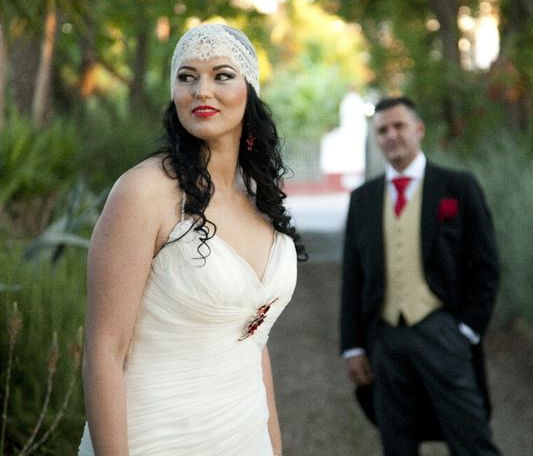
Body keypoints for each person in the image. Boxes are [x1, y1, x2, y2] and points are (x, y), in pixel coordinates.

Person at [78, 23, 305, 456]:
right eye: (187, 77)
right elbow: (104, 351)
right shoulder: (143, 192)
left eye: (222, 75)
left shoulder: (260, 199)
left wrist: (274, 447)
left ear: (249, 91)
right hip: (155, 437)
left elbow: (254, 341)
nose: (202, 90)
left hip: (244, 434)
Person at [340, 96, 501, 456]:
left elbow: (487, 265)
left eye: (399, 126)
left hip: (442, 330)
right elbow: (352, 277)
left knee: (471, 438)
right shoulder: (363, 198)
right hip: (384, 336)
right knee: (396, 442)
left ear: (419, 130)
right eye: (382, 130)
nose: (391, 135)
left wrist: (467, 330)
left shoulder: (458, 187)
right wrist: (353, 345)